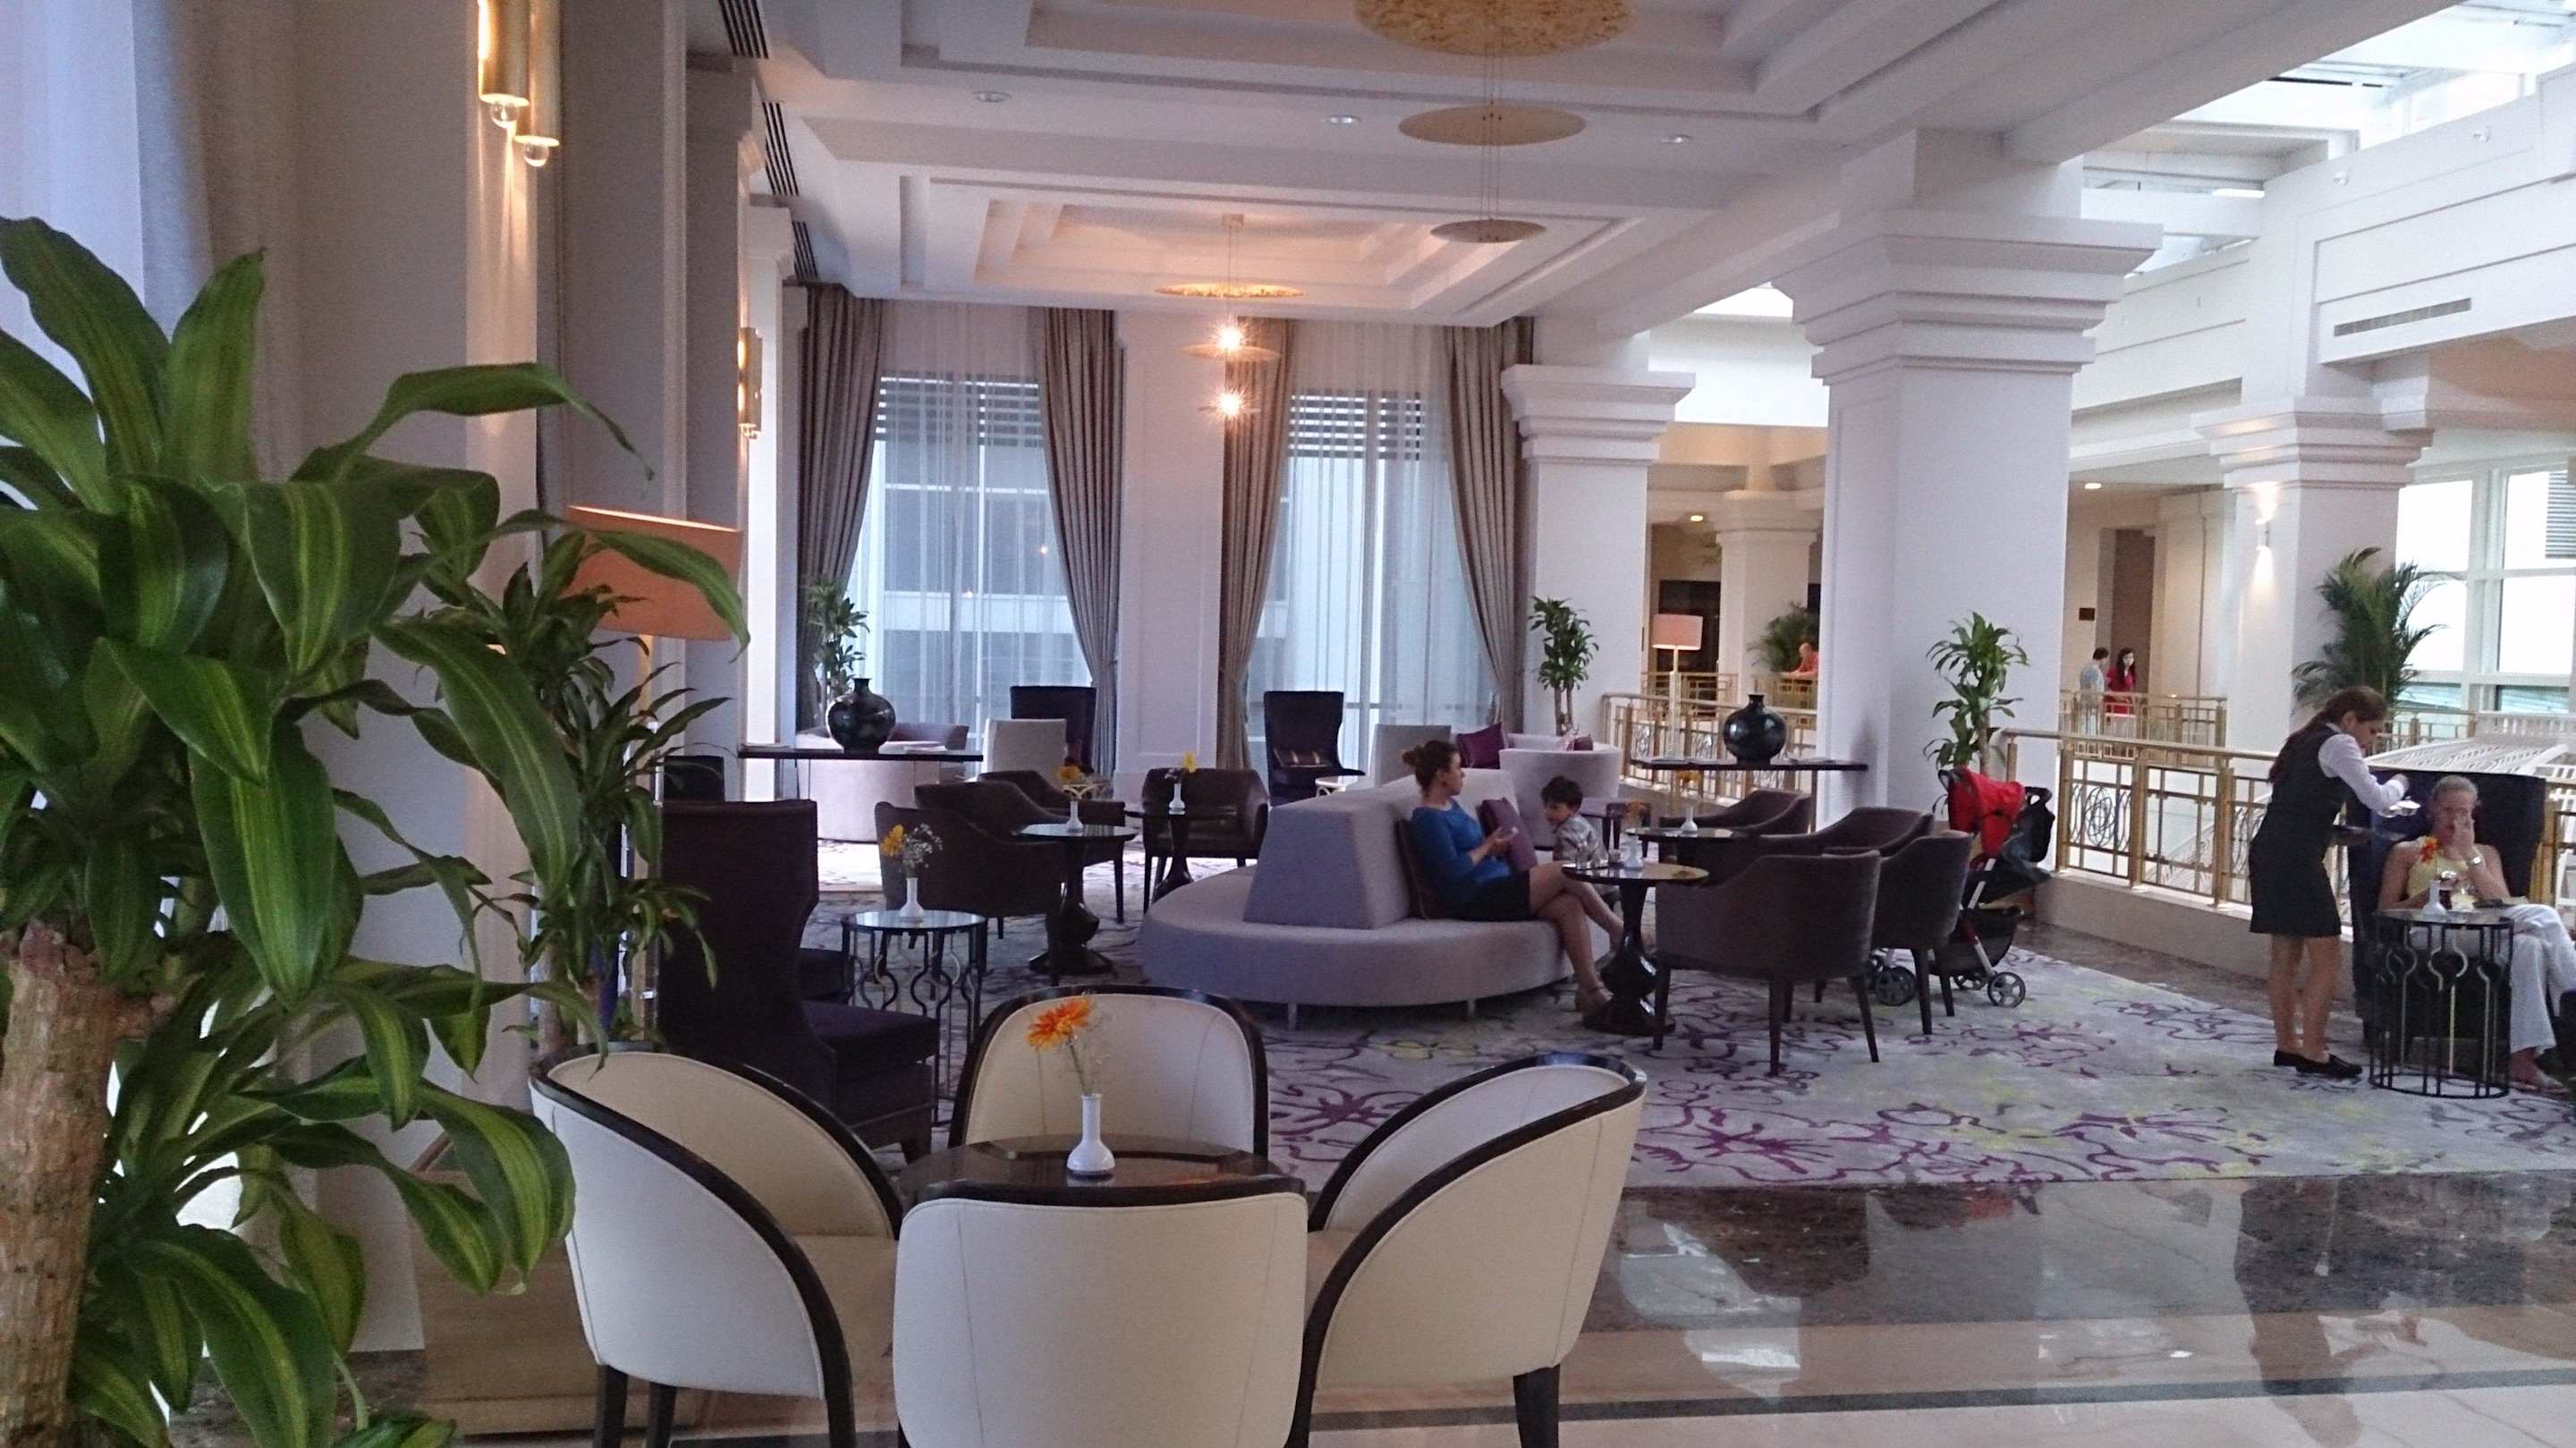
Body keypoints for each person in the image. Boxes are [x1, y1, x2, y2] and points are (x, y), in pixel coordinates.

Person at [2247, 685, 2412, 1080]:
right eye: (2372, 731)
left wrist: (2335, 833)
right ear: (2351, 719)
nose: (2372, 741)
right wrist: (2403, 782)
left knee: (2285, 955)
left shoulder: (2306, 740)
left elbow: (2298, 807)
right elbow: (2379, 799)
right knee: (2326, 954)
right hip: (2296, 860)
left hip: (2272, 850)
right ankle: (2314, 1050)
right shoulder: (2340, 743)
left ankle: (2288, 1045)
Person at [2377, 775, 2574, 1095]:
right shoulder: (2407, 851)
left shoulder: (2485, 853)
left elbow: (2502, 903)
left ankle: (2521, 1061)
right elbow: (2385, 909)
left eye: (2463, 812)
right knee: (2545, 916)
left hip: (2485, 928)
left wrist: (2470, 855)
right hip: (2432, 929)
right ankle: (2573, 991)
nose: (2455, 820)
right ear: (2432, 809)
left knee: (2530, 946)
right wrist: (2429, 895)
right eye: (2448, 811)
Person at [1404, 740, 1621, 1015]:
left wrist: (1494, 847)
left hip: (1497, 885)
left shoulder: (1452, 806)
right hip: (1474, 898)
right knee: (1564, 869)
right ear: (1441, 775)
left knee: (1569, 904)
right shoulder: (1427, 819)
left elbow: (1472, 852)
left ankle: (1590, 991)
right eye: (1458, 768)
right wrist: (1487, 847)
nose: (1463, 773)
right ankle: (1619, 931)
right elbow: (1451, 872)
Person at [1539, 775, 1602, 864]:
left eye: (1555, 808)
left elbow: (1567, 864)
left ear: (1573, 808)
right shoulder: (1578, 822)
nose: (1548, 812)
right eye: (1545, 806)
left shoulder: (1567, 831)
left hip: (1588, 869)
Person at [2077, 648, 2110, 732]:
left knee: (2082, 729)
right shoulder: (2095, 671)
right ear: (2103, 658)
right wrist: (2100, 706)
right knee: (2091, 730)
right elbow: (2095, 690)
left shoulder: (2085, 668)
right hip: (2092, 706)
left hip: (2084, 702)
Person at [2103, 647, 2138, 718]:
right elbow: (2105, 687)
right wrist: (2116, 696)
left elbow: (2131, 692)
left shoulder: (2131, 674)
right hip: (2112, 705)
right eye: (2126, 657)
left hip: (2124, 706)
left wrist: (2135, 709)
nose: (2129, 660)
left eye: (2131, 657)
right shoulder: (2113, 672)